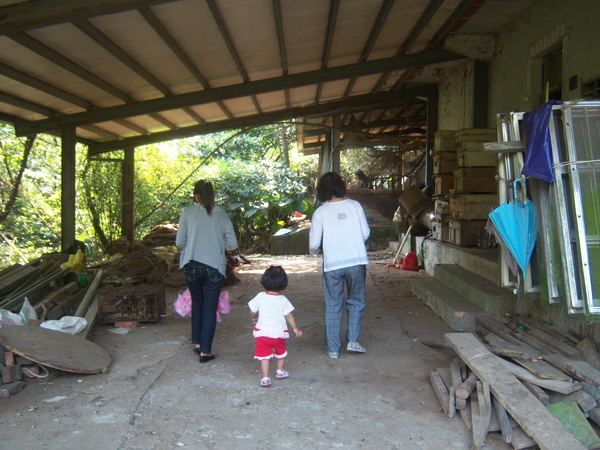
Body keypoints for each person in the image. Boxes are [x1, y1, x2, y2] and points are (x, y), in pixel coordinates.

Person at [309, 172, 370, 359]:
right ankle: (353, 340)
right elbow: (366, 233)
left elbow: (313, 244)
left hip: (332, 264)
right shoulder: (355, 206)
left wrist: (314, 253)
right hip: (356, 261)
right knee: (356, 301)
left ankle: (333, 348)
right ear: (341, 187)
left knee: (333, 304)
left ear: (321, 191)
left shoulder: (320, 212)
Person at [176, 180, 238, 363]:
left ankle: (197, 343)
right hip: (214, 267)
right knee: (210, 307)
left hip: (191, 265)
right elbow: (233, 244)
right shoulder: (222, 214)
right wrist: (217, 245)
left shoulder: (187, 213)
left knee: (197, 302)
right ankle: (205, 351)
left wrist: (194, 246)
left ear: (196, 195)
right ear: (212, 195)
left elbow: (179, 243)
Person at [248, 265, 303, 387]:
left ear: (264, 281)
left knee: (264, 357)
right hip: (279, 333)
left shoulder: (260, 296)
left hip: (262, 333)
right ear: (283, 284)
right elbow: (288, 315)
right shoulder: (283, 299)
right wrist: (295, 328)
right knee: (281, 353)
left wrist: (253, 317)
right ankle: (280, 371)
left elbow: (252, 309)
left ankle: (265, 378)